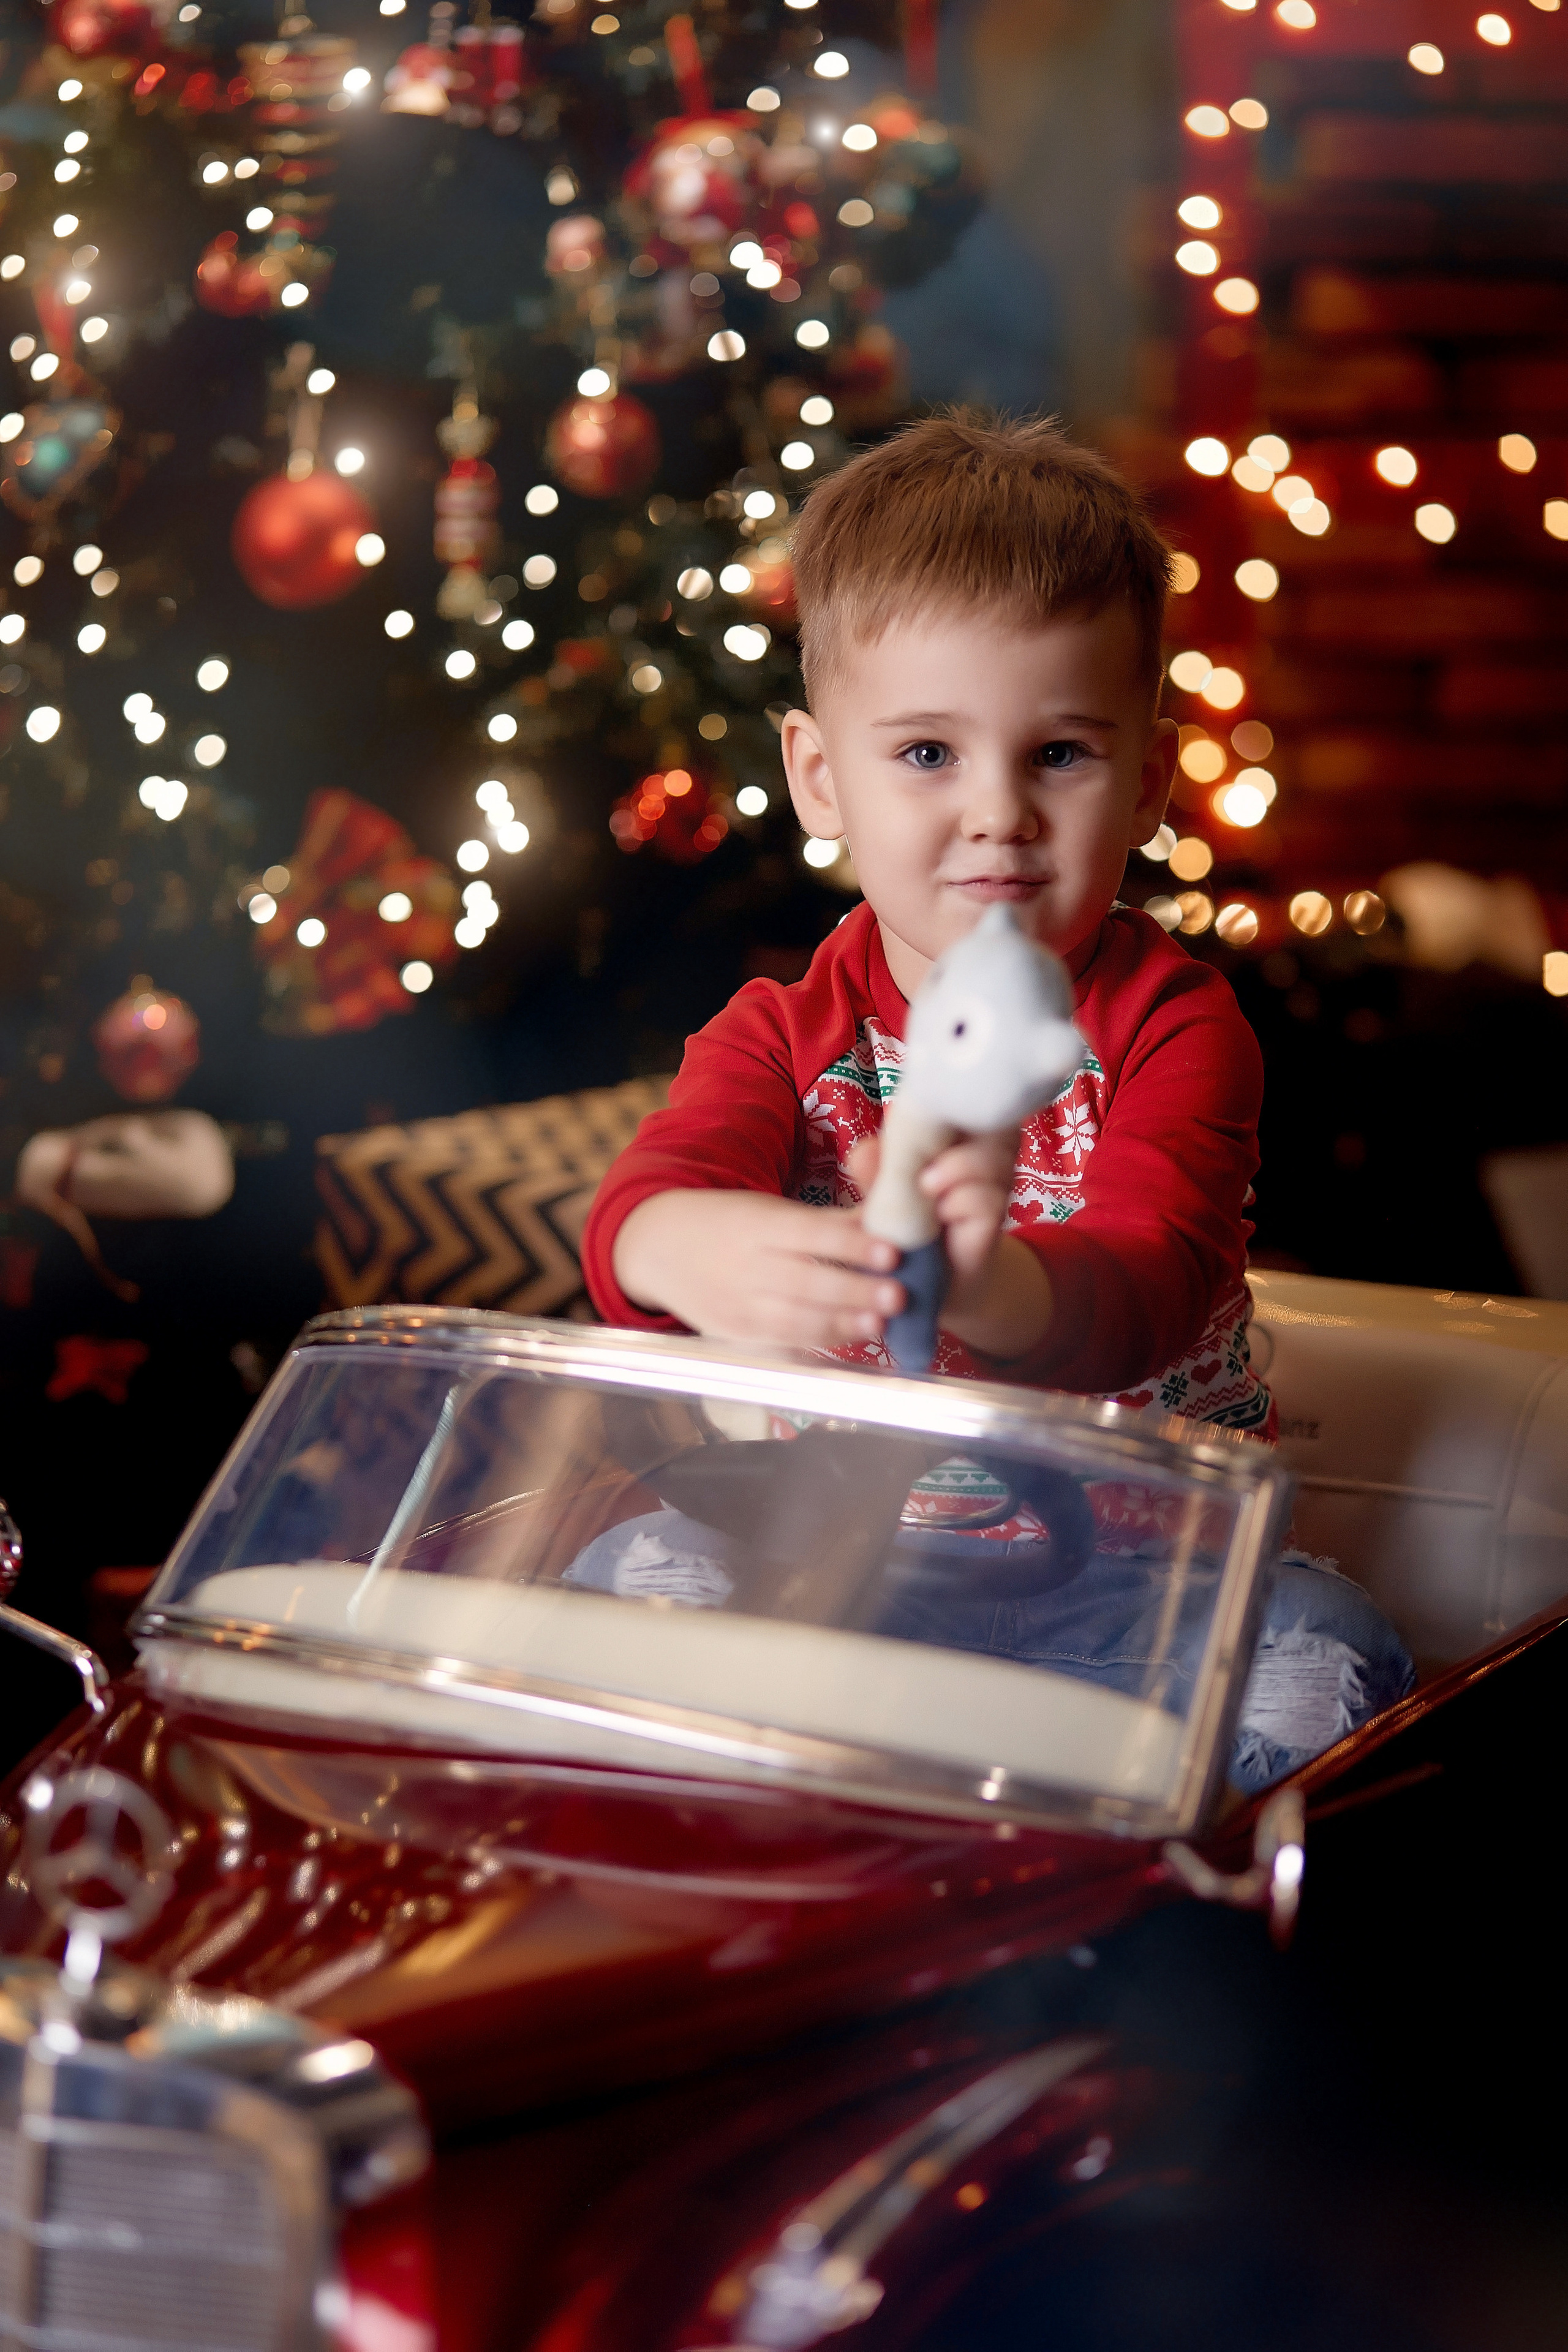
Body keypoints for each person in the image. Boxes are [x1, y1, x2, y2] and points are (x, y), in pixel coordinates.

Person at [581, 413, 1412, 1787]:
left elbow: (1147, 1277)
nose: (997, 813)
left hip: (1143, 1587)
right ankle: (773, 1865)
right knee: (616, 1578)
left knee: (1333, 1654)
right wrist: (677, 1246)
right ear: (817, 778)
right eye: (925, 754)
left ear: (1146, 779)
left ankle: (1122, 1914)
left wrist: (987, 1284)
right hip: (834, 1570)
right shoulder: (778, 1039)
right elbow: (643, 1205)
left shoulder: (1176, 1027)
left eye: (1059, 755)